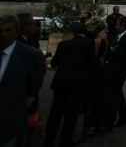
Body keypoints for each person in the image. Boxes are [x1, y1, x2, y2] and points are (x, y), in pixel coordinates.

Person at [46, 22, 96, 147]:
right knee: (71, 113)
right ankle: (65, 139)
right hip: (78, 84)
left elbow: (54, 63)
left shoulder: (63, 44)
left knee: (55, 112)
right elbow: (92, 64)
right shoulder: (88, 44)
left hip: (61, 83)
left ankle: (49, 139)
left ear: (73, 32)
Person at [0, 14, 44, 147]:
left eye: (8, 30)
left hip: (11, 122)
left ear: (17, 31)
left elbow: (33, 89)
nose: (3, 34)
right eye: (0, 30)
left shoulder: (31, 55)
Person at [106, 16, 126, 127]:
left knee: (115, 93)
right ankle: (123, 116)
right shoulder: (118, 36)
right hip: (114, 68)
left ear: (123, 25)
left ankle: (116, 118)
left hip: (120, 69)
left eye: (118, 24)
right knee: (116, 93)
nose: (116, 26)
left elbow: (121, 53)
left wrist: (113, 51)